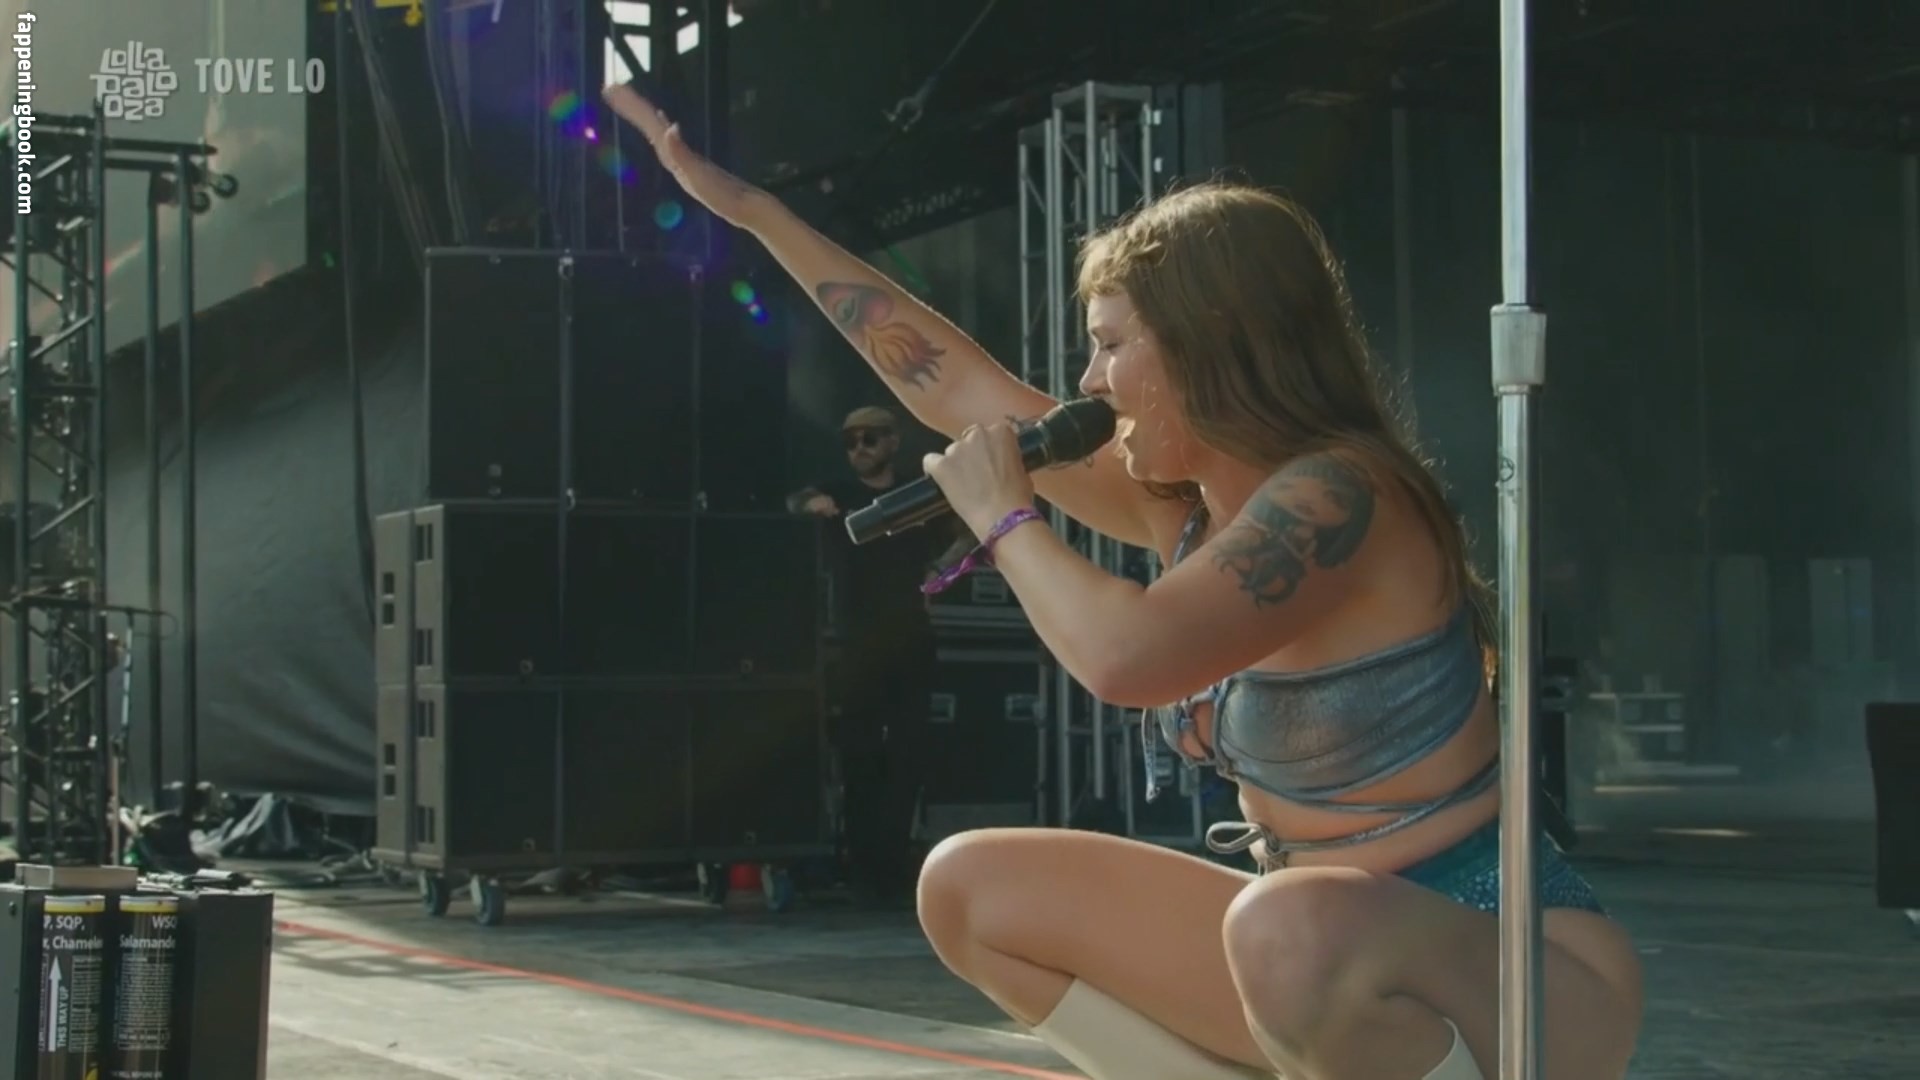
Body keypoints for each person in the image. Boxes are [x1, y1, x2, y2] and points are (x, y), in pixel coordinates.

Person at [607, 84, 1643, 1080]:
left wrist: (1006, 519)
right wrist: (756, 214)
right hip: (1304, 940)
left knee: (1286, 925)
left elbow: (1130, 659)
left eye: (1110, 346)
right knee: (972, 891)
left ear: (1207, 346)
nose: (1090, 382)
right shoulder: (1181, 508)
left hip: (1513, 965)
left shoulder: (1342, 496)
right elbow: (951, 382)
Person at [787, 406, 966, 903]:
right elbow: (791, 501)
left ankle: (891, 863)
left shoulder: (914, 495)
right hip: (857, 641)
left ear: (892, 441)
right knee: (859, 753)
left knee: (907, 754)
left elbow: (970, 532)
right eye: (850, 441)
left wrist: (942, 572)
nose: (859, 449)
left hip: (910, 637)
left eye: (868, 439)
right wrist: (809, 503)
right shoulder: (841, 495)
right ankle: (863, 866)